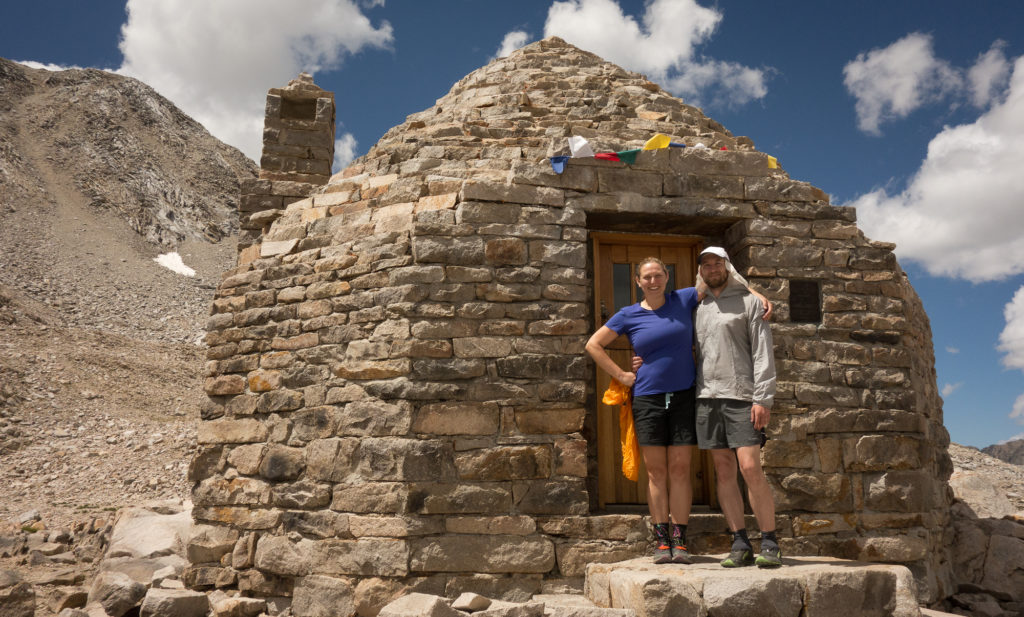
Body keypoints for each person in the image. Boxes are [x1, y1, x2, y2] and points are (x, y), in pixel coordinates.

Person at [586, 256, 770, 564]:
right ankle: (661, 541)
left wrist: (757, 294)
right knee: (656, 473)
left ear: (667, 277)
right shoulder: (627, 314)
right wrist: (622, 375)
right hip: (647, 399)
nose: (653, 281)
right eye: (647, 277)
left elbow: (721, 279)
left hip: (685, 396)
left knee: (681, 469)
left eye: (658, 275)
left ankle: (680, 539)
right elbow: (594, 344)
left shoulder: (683, 298)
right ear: (638, 282)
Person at [693, 246, 781, 568]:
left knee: (749, 468)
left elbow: (762, 353)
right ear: (700, 270)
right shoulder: (697, 306)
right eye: (706, 264)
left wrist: (763, 398)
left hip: (742, 397)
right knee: (724, 470)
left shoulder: (750, 303)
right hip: (707, 398)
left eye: (717, 262)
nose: (712, 268)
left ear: (728, 266)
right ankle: (740, 542)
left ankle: (770, 541)